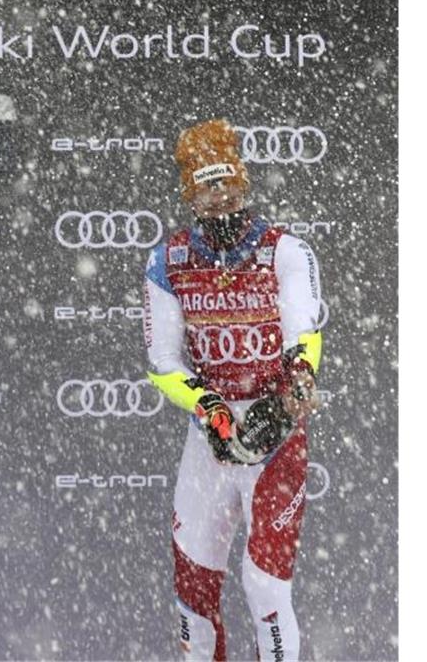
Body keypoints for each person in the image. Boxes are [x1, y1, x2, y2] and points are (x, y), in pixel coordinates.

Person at [142, 119, 324, 662]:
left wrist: (296, 384)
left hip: (275, 431)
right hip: (210, 436)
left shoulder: (286, 251)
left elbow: (303, 332)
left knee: (265, 587)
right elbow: (162, 362)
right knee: (193, 588)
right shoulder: (167, 261)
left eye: (229, 186)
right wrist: (211, 408)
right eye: (207, 188)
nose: (221, 199)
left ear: (244, 186)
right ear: (189, 195)